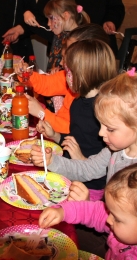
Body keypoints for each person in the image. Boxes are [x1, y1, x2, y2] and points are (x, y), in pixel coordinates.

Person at [31, 68, 137, 201]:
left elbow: (126, 223)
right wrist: (51, 161)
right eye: (101, 125)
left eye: (110, 129)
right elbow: (87, 168)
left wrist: (88, 204)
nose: (101, 133)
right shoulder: (116, 149)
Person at [32, 39, 116, 201]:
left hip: (90, 186)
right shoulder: (77, 102)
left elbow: (107, 163)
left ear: (83, 74)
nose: (64, 76)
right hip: (70, 169)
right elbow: (75, 139)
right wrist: (55, 135)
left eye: (68, 72)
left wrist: (81, 159)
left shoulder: (103, 113)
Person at [15, 23, 110, 134]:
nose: (61, 62)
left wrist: (42, 113)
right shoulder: (72, 78)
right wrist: (26, 74)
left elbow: (72, 129)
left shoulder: (95, 101)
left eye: (70, 55)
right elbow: (47, 84)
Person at [43, 0, 90, 72]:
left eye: (51, 18)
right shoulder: (59, 35)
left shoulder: (79, 40)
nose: (48, 23)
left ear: (66, 16)